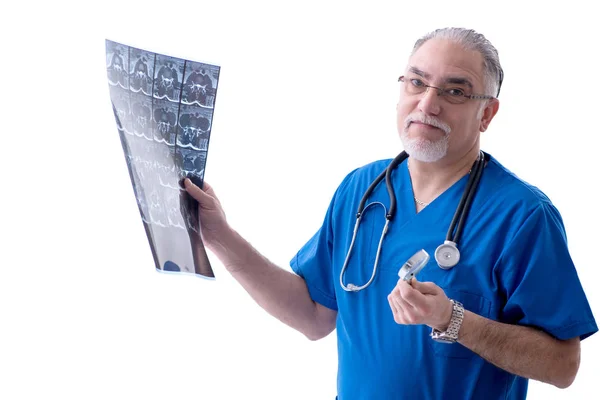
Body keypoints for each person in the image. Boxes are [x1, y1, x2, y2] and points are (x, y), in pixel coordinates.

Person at [182, 27, 598, 399]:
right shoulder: (361, 190)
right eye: (417, 82)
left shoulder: (521, 216)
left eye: (455, 91)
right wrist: (218, 236)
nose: (428, 104)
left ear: (486, 113)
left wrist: (453, 320)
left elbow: (563, 366)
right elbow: (313, 316)